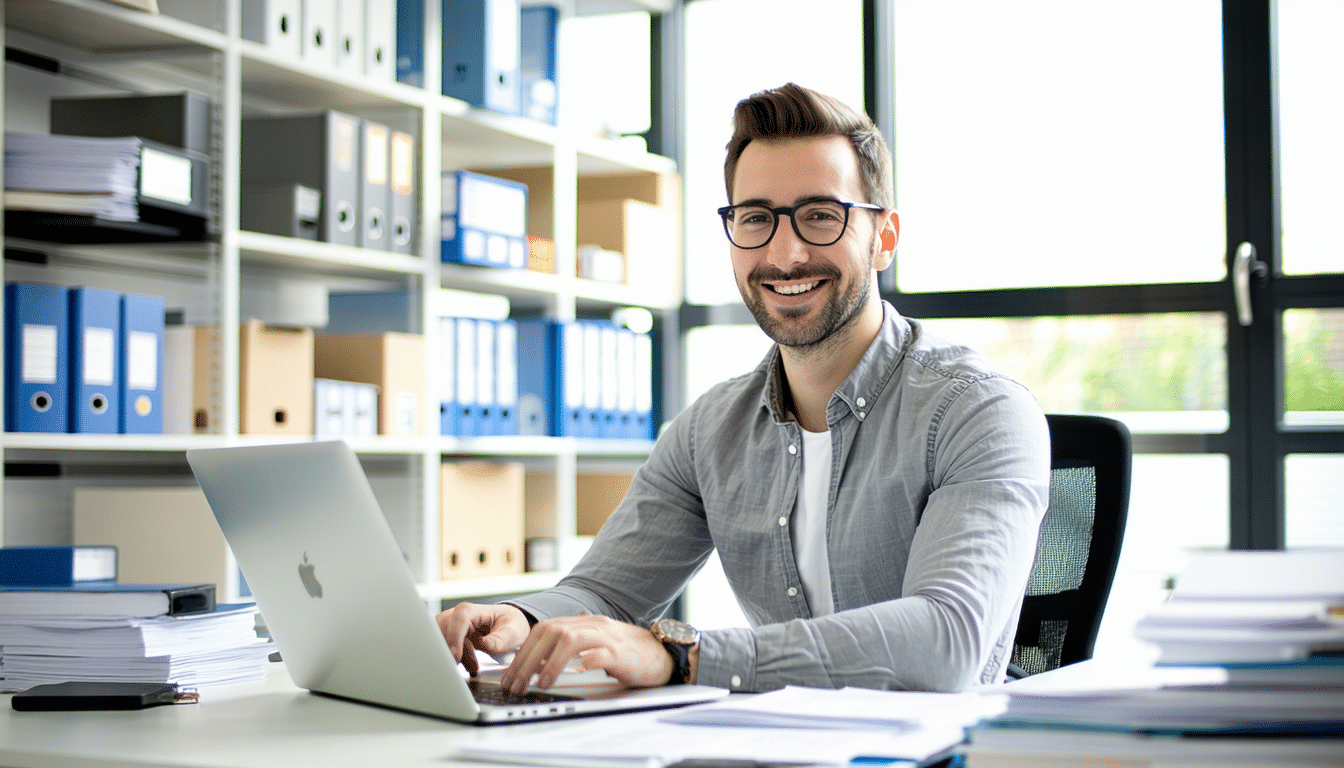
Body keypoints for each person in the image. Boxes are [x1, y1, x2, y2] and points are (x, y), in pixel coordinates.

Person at [437, 82, 1050, 695]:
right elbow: (603, 593)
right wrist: (523, 619)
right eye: (756, 219)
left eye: (820, 216)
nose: (785, 255)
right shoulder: (711, 430)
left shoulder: (980, 411)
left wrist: (684, 656)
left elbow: (947, 642)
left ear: (883, 237)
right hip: (777, 744)